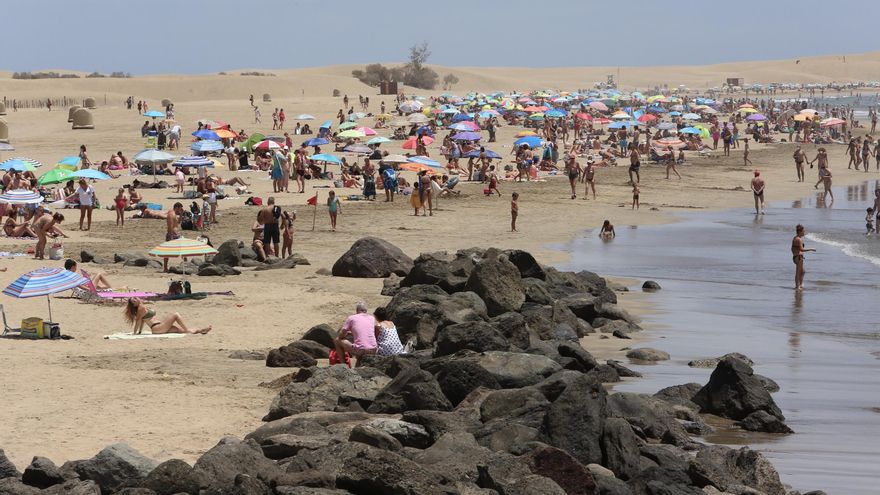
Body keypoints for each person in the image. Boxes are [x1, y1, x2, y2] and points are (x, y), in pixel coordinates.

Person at [124, 298, 211, 335]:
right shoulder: (140, 308)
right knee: (175, 315)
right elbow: (138, 321)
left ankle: (201, 330)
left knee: (180, 331)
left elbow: (142, 321)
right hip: (157, 328)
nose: (135, 300)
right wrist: (135, 333)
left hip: (159, 327)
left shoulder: (142, 307)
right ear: (134, 305)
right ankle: (188, 329)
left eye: (135, 298)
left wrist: (139, 332)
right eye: (133, 301)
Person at [791, 224, 815, 291]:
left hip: (797, 257)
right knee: (798, 272)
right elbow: (801, 249)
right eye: (803, 231)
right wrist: (811, 249)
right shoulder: (798, 239)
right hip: (798, 257)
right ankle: (797, 286)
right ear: (800, 232)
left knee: (803, 271)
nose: (804, 232)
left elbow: (793, 248)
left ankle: (800, 284)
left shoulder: (796, 238)